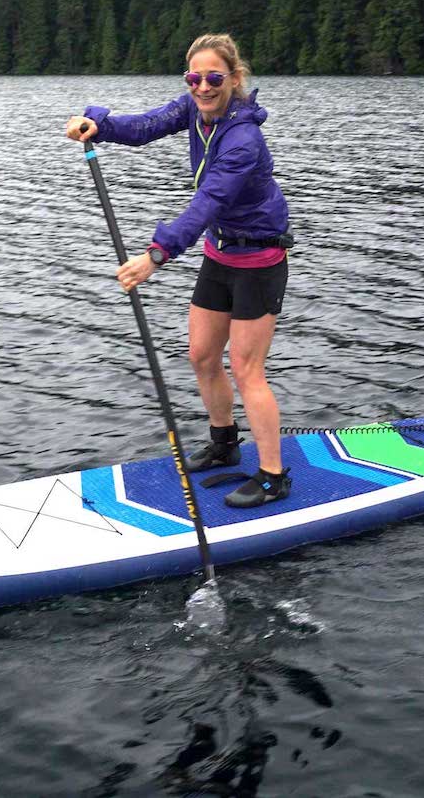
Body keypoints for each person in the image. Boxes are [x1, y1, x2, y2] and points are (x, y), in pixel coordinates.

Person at [65, 34, 293, 508]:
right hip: (221, 254)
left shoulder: (243, 138)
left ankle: (274, 476)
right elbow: (143, 127)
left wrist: (156, 255)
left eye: (214, 78)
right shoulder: (193, 109)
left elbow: (207, 203)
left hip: (259, 259)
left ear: (233, 79)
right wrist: (97, 122)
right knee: (202, 356)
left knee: (247, 368)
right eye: (195, 78)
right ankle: (225, 443)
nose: (203, 87)